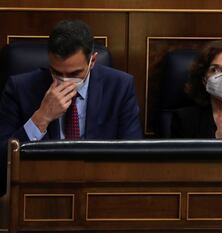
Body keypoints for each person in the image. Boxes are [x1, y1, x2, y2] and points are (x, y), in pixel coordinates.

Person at [0, 20, 143, 195]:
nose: (65, 81)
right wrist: (41, 119)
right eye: (57, 72)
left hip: (99, 191)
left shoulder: (120, 87)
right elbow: (2, 160)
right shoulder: (20, 88)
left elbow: (135, 157)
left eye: (75, 73)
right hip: (42, 193)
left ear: (93, 61)